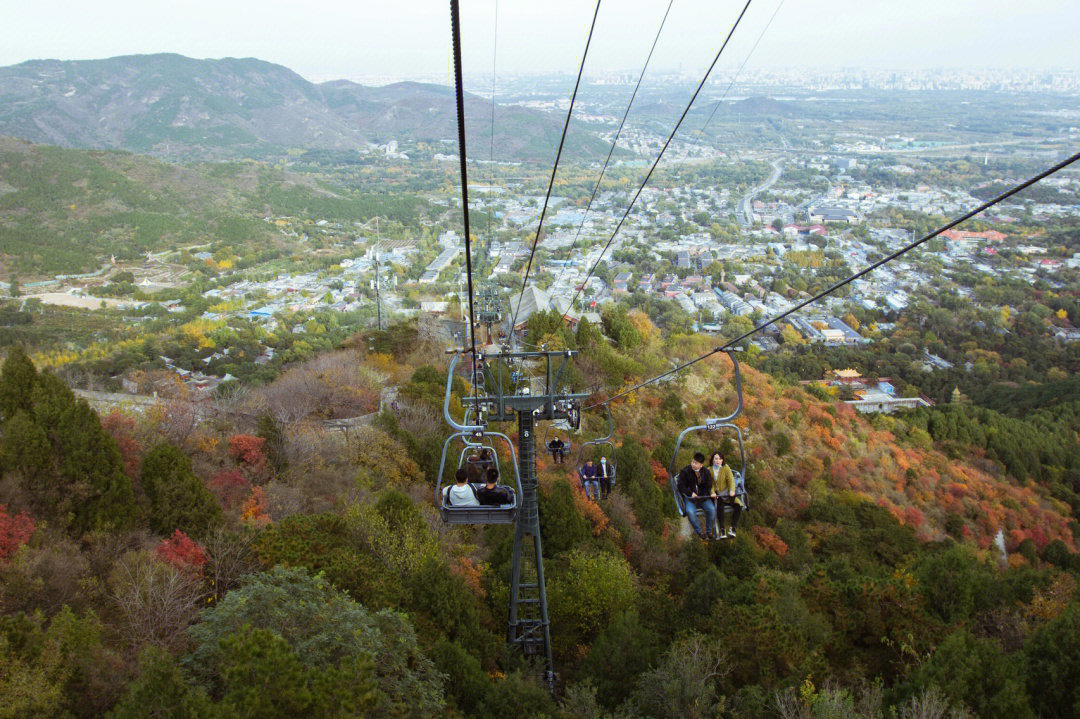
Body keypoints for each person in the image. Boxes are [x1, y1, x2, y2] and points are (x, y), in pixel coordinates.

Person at [675, 452, 716, 539]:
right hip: (690, 498)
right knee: (690, 512)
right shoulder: (685, 471)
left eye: (696, 463)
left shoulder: (705, 472)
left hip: (702, 498)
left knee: (711, 509)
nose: (693, 464)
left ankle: (709, 531)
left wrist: (702, 495)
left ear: (701, 465)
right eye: (693, 462)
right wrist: (690, 493)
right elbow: (680, 485)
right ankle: (700, 532)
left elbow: (708, 485)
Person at [708, 451, 742, 539]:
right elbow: (709, 484)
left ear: (722, 460)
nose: (718, 461)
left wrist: (732, 490)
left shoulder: (725, 468)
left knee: (738, 506)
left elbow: (731, 479)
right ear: (712, 460)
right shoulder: (709, 470)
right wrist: (712, 492)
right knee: (720, 506)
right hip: (717, 495)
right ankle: (722, 529)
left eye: (719, 459)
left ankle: (733, 528)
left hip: (726, 493)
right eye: (716, 458)